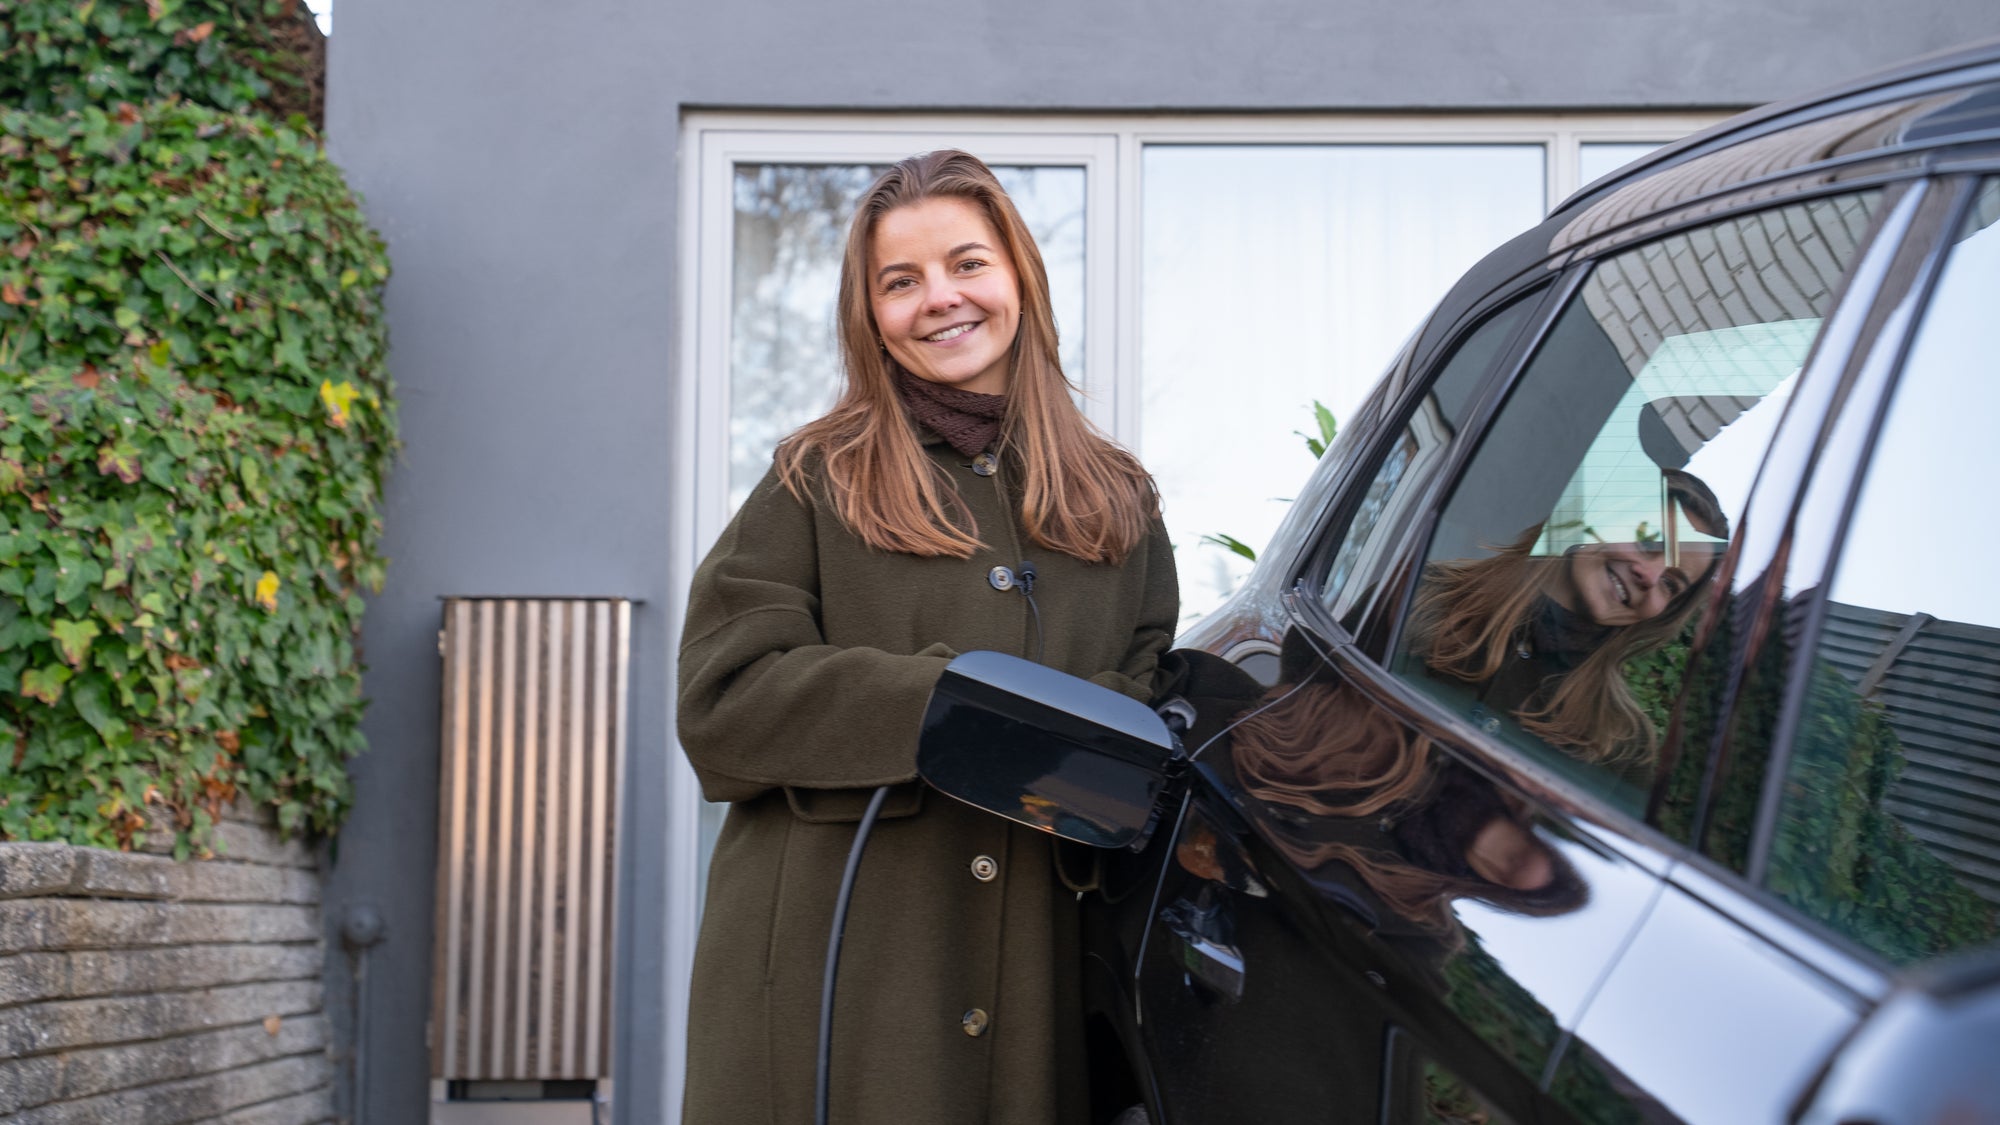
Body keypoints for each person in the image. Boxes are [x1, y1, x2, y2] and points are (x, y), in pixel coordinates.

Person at [676, 150, 1178, 1125]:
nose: (938, 299)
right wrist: (949, 705)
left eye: (965, 264)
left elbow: (1142, 749)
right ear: (869, 316)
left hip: (1036, 985)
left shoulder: (1119, 503)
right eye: (898, 282)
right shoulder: (812, 480)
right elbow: (721, 701)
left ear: (1017, 277)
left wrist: (1076, 766)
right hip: (839, 985)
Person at [1406, 467, 1729, 767]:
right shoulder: (1422, 597)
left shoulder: (1625, 743)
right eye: (1648, 541)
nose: (1650, 575)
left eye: (1671, 583)